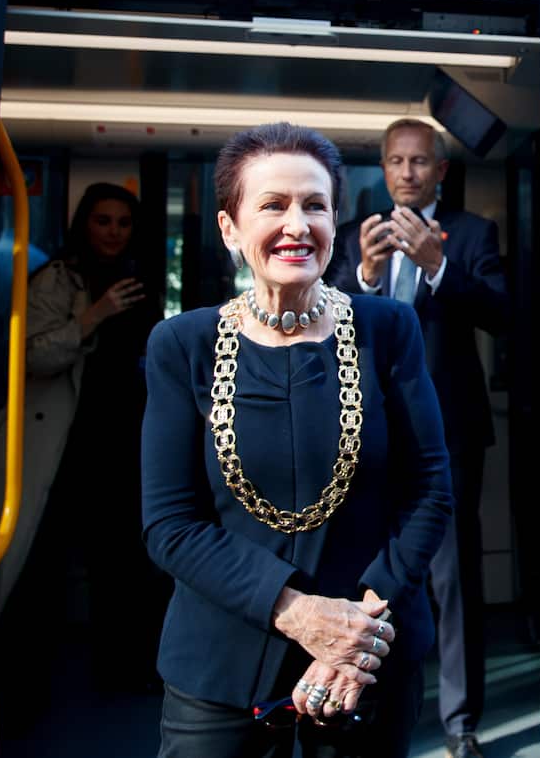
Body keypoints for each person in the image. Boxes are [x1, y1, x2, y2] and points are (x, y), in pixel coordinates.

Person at [141, 122, 452, 758]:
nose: (296, 224)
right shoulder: (183, 345)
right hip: (220, 666)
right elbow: (170, 524)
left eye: (315, 205)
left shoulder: (387, 329)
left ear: (335, 221)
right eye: (273, 205)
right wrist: (301, 614)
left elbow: (428, 489)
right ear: (230, 228)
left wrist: (355, 632)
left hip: (368, 659)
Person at [328, 118, 509, 758]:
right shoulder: (354, 236)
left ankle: (461, 724)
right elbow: (329, 325)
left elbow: (505, 313)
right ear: (384, 168)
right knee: (367, 573)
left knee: (452, 581)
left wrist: (438, 267)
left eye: (419, 162)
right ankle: (369, 703)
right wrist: (367, 279)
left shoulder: (473, 233)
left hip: (449, 433)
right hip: (367, 438)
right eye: (396, 162)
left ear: (441, 171)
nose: (406, 173)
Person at [0, 182, 164, 720]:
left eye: (122, 222)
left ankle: (126, 672)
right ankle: (22, 683)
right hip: (62, 442)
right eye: (102, 220)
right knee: (40, 566)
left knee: (123, 566)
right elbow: (31, 355)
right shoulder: (58, 278)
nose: (112, 232)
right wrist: (95, 314)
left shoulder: (142, 279)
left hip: (124, 442)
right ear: (84, 223)